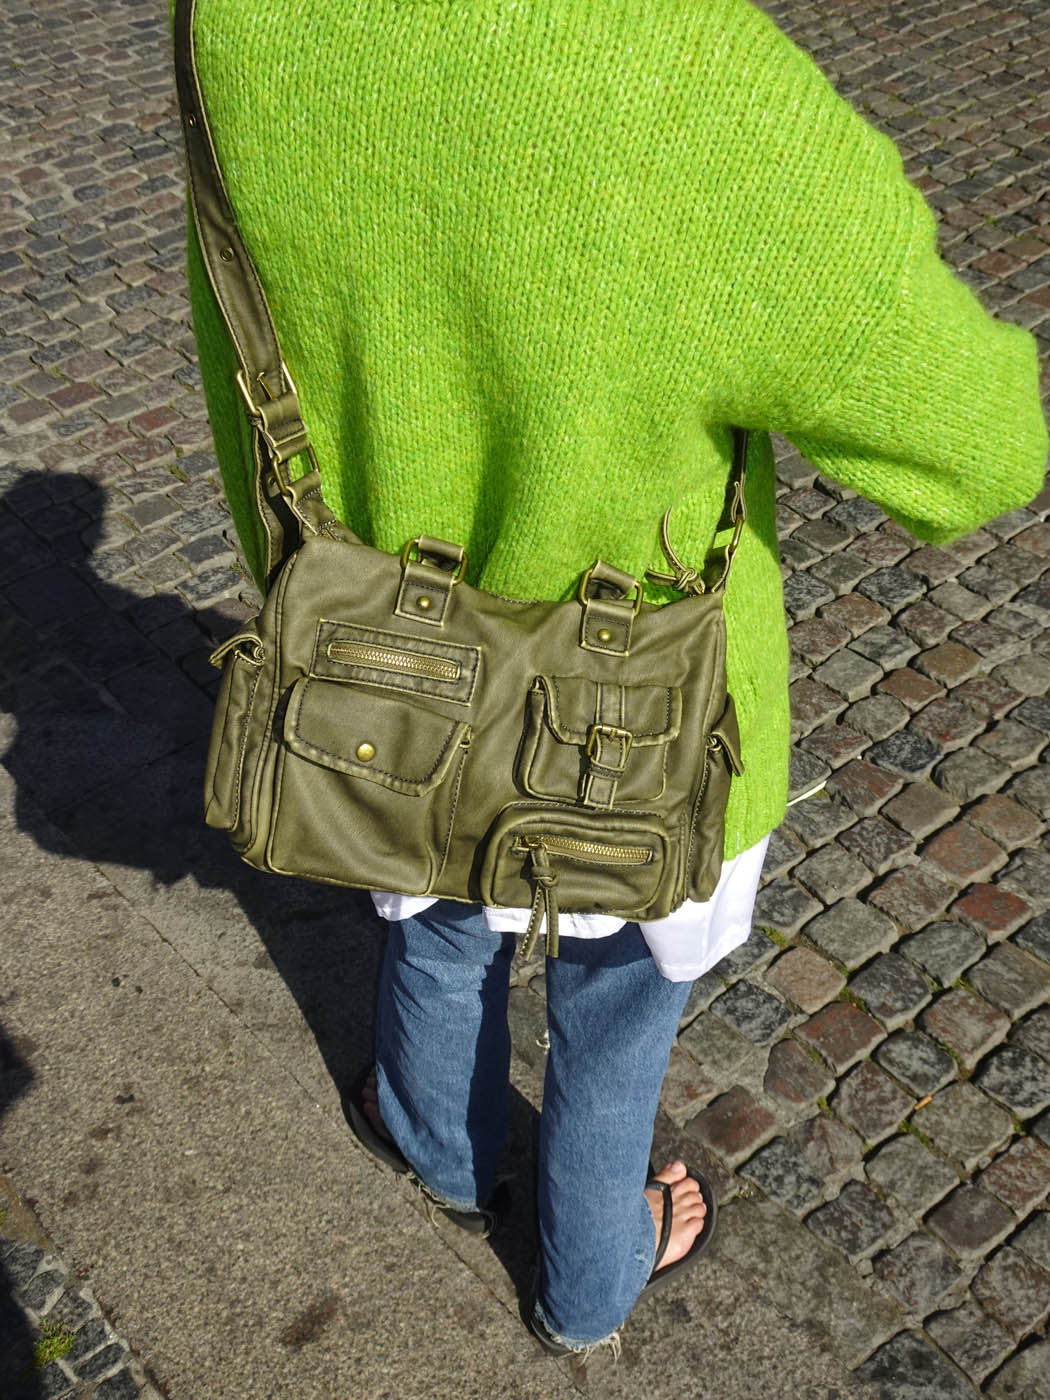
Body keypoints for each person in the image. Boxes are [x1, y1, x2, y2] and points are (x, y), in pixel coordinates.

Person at [183, 0, 1048, 1356]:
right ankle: (589, 1284)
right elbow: (979, 446)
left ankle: (438, 1147)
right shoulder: (694, 70)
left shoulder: (240, 18)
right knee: (618, 991)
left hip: (381, 681)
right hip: (643, 720)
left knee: (432, 918)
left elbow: (241, 361)